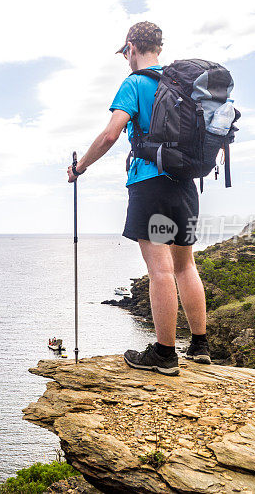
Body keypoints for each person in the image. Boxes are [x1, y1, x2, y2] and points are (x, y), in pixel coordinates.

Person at [67, 22, 210, 376]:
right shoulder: (185, 85)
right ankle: (200, 345)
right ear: (159, 47)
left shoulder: (135, 83)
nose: (126, 59)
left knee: (160, 269)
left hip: (151, 184)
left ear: (131, 47)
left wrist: (80, 167)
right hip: (186, 185)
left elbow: (110, 134)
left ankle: (164, 355)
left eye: (125, 53)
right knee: (185, 265)